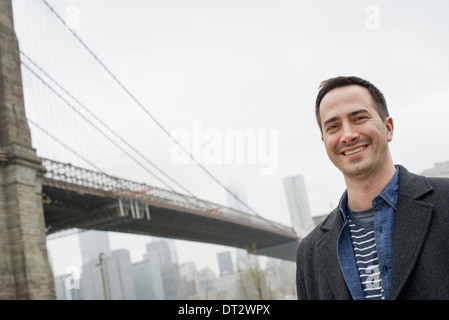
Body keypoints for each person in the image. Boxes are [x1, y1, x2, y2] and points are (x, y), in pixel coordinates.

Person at [296, 76, 449, 300]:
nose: (348, 135)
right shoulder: (309, 253)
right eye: (333, 126)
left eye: (358, 118)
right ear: (325, 141)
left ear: (388, 128)